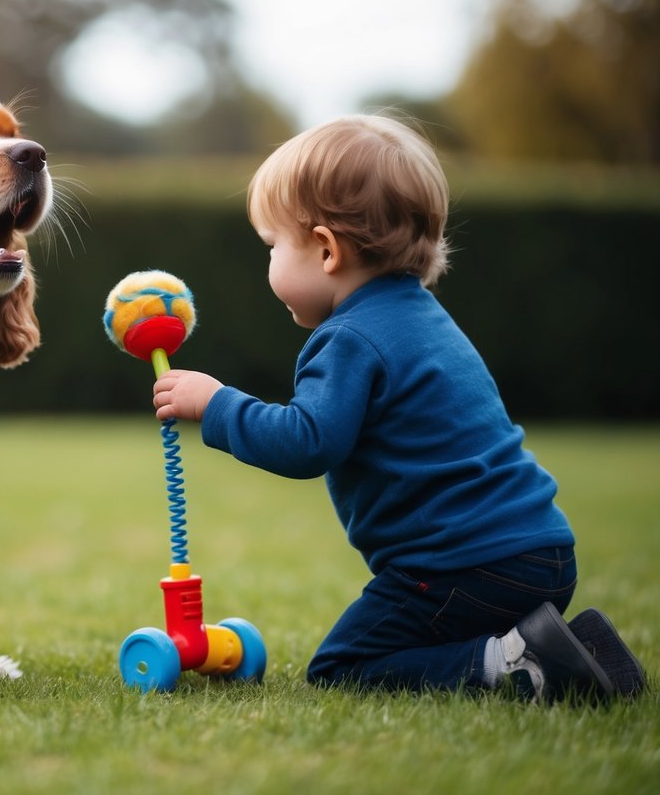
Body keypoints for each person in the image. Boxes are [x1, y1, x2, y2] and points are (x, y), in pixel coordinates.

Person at [151, 114, 645, 702]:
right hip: (538, 552)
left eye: (273, 245)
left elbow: (309, 441)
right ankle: (571, 648)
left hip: (464, 568)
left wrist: (216, 403)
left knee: (346, 664)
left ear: (327, 249)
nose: (269, 261)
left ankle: (515, 665)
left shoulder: (350, 339)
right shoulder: (426, 320)